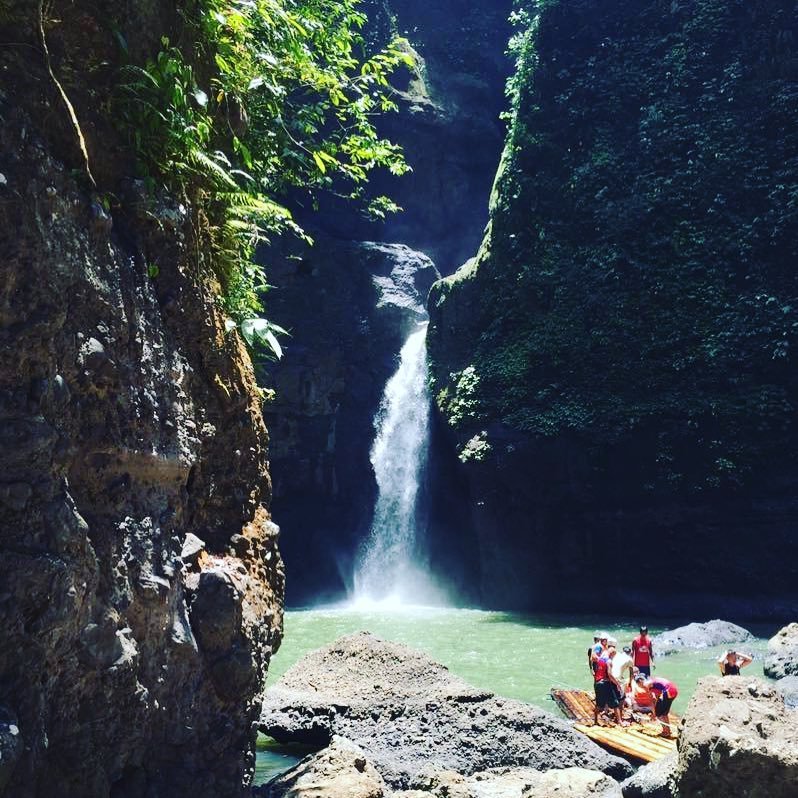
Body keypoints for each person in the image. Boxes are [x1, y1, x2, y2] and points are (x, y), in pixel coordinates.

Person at [592, 649, 626, 727]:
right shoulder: (609, 661)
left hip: (598, 683)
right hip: (605, 683)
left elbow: (596, 671)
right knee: (615, 703)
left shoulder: (599, 660)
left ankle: (595, 721)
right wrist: (617, 684)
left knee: (599, 704)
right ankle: (620, 722)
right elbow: (610, 674)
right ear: (612, 654)